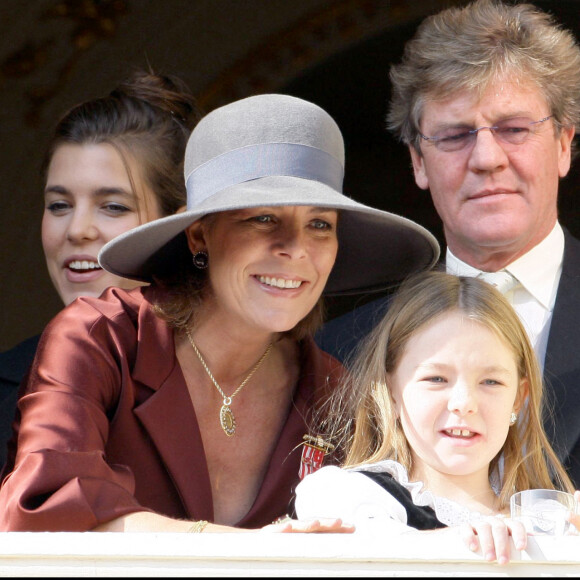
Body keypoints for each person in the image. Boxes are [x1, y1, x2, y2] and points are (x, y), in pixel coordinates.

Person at [0, 93, 439, 532]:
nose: (295, 247)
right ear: (198, 235)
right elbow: (43, 505)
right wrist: (240, 547)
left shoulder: (332, 390)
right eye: (263, 218)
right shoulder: (100, 339)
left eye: (320, 224)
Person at [315, 0, 580, 487]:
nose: (486, 158)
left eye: (514, 129)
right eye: (456, 136)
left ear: (564, 143)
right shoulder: (341, 351)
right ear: (418, 161)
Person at [297, 272, 576, 564]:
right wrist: (458, 542)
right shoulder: (350, 495)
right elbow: (371, 546)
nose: (464, 404)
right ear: (390, 390)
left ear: (518, 398)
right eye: (436, 378)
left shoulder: (549, 522)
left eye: (491, 382)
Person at [0, 70, 201, 470]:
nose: (77, 230)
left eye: (113, 206)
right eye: (59, 205)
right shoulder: (6, 385)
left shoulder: (243, 378)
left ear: (181, 228)